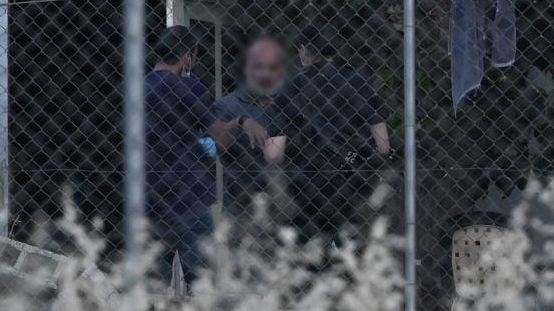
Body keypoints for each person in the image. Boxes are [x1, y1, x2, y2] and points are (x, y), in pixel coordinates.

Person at [144, 25, 267, 282]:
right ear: (187, 56)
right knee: (202, 277)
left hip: (147, 193)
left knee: (155, 276)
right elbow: (220, 139)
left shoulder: (136, 88)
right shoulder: (189, 88)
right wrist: (239, 123)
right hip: (188, 194)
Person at [264, 22, 391, 242]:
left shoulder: (289, 90)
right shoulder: (361, 85)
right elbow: (383, 146)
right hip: (353, 182)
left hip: (304, 186)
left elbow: (274, 154)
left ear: (304, 50)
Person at [214, 36, 288, 216]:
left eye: (271, 68)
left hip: (278, 200)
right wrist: (240, 122)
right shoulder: (227, 105)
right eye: (259, 67)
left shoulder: (285, 103)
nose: (265, 74)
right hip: (239, 199)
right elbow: (216, 144)